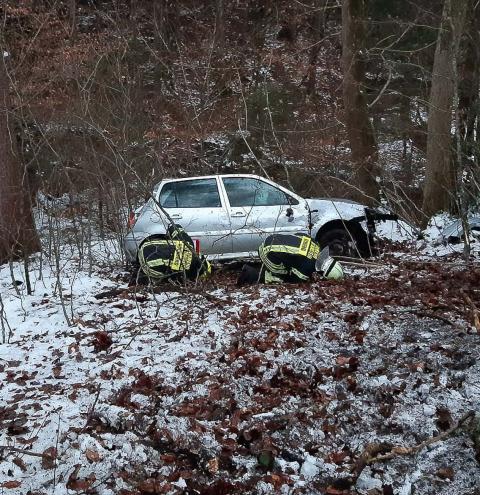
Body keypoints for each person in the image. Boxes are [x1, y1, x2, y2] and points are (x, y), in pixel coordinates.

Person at [237, 233, 343, 285]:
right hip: (267, 251)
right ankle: (250, 273)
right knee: (284, 278)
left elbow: (299, 235)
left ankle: (267, 265)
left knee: (289, 263)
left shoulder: (316, 245)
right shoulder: (308, 265)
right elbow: (297, 279)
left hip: (272, 238)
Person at [136, 224, 211, 283]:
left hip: (147, 247)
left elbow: (175, 227)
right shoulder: (184, 274)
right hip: (148, 268)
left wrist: (170, 235)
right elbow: (168, 279)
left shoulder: (188, 245)